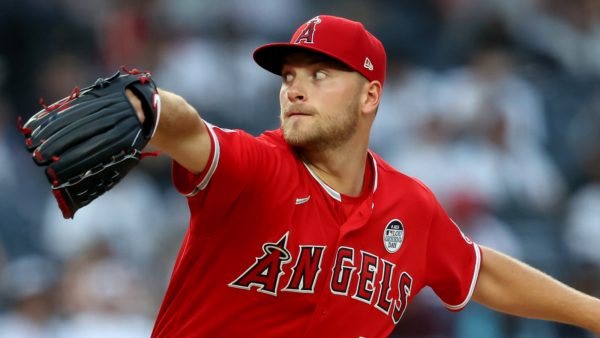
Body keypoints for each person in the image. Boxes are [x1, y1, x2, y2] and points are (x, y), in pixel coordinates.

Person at [124, 15, 600, 337]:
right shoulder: (256, 166)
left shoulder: (410, 206)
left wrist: (592, 313)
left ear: (370, 97)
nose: (294, 90)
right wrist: (148, 105)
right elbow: (189, 130)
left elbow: (480, 271)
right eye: (288, 76)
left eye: (320, 74)